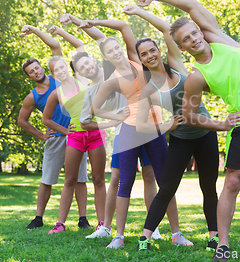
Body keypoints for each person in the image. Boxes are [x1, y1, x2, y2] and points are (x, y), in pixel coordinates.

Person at [138, 0, 240, 261]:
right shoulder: (197, 76)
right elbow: (189, 115)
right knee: (232, 181)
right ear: (182, 48)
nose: (193, 39)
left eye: (194, 33)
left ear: (199, 31)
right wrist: (221, 125)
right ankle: (222, 244)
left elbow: (191, 3)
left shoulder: (220, 39)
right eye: (186, 40)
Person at [81, 18, 187, 249]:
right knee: (125, 182)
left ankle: (176, 233)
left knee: (165, 182)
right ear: (106, 58)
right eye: (110, 52)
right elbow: (94, 109)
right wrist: (119, 118)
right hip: (130, 131)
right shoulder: (112, 80)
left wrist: (90, 22)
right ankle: (118, 236)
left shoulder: (138, 62)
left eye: (117, 47)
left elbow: (123, 27)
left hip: (155, 129)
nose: (116, 52)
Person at [122, 5, 220, 252]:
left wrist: (139, 13)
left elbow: (167, 29)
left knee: (208, 187)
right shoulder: (147, 88)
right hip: (180, 140)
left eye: (152, 50)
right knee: (166, 188)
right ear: (141, 59)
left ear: (158, 50)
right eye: (143, 54)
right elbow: (142, 123)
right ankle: (145, 238)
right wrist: (167, 125)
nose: (150, 55)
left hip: (206, 133)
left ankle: (215, 236)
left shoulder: (175, 63)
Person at [59, 14, 164, 240]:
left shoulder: (110, 69)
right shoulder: (91, 89)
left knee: (149, 175)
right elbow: (87, 120)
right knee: (116, 178)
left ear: (96, 61)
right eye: (81, 67)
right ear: (79, 73)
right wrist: (113, 120)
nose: (86, 68)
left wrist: (80, 21)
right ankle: (106, 227)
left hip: (145, 125)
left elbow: (101, 39)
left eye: (88, 62)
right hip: (124, 132)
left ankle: (153, 226)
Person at [18, 25, 89, 231]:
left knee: (79, 179)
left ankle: (82, 219)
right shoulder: (32, 96)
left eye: (37, 68)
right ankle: (39, 218)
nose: (36, 72)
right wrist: (41, 135)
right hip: (56, 138)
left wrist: (34, 30)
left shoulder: (59, 77)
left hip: (76, 134)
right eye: (31, 72)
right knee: (47, 179)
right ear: (29, 77)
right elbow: (22, 121)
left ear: (42, 67)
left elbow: (55, 45)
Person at [41, 25, 107, 234]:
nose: (60, 71)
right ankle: (60, 223)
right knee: (69, 179)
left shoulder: (81, 78)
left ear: (67, 68)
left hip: (95, 134)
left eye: (62, 67)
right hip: (75, 136)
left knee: (98, 179)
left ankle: (102, 223)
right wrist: (65, 130)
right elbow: (45, 119)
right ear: (52, 74)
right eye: (55, 70)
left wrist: (60, 32)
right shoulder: (56, 94)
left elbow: (79, 45)